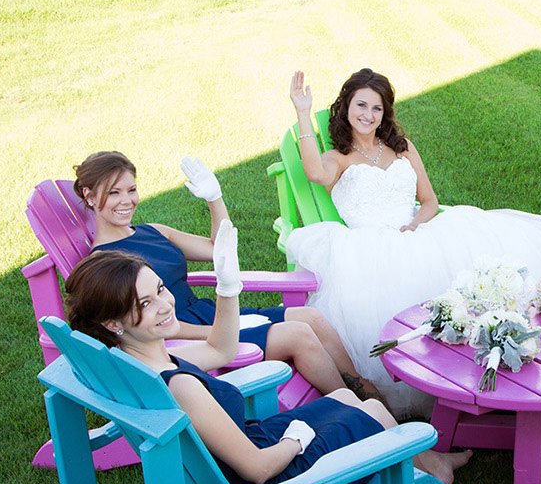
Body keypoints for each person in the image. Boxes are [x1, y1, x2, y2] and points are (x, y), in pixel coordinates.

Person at [285, 68, 541, 418]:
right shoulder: (337, 158)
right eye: (361, 105)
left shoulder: (401, 148)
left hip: (417, 231)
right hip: (370, 248)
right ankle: (421, 385)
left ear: (385, 113)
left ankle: (525, 353)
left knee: (495, 261)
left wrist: (414, 226)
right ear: (346, 107)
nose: (368, 115)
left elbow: (428, 201)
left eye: (376, 108)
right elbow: (314, 173)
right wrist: (303, 112)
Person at [65, 243, 471, 484]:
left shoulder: (142, 364)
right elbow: (258, 469)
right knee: (379, 419)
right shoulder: (180, 386)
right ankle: (423, 483)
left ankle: (432, 462)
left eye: (160, 289)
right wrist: (297, 439)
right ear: (113, 322)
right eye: (146, 303)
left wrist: (227, 286)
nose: (165, 304)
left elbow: (221, 350)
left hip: (235, 475)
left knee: (350, 402)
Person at [73, 151, 384, 403]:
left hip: (210, 313)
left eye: (131, 190)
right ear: (89, 195)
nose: (126, 201)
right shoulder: (106, 264)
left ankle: (366, 389)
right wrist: (214, 330)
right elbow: (143, 325)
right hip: (182, 334)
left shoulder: (152, 231)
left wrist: (214, 197)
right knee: (300, 335)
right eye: (113, 193)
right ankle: (353, 407)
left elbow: (216, 248)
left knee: (312, 317)